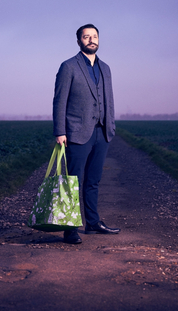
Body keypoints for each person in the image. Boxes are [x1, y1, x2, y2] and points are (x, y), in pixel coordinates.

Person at [53, 23, 120, 244]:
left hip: (102, 132)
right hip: (77, 132)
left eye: (94, 36)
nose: (91, 40)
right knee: (74, 181)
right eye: (86, 36)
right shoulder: (68, 66)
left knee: (93, 180)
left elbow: (108, 99)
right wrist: (60, 131)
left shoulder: (106, 68)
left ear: (98, 39)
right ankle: (70, 228)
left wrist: (110, 125)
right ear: (79, 40)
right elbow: (59, 100)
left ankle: (92, 222)